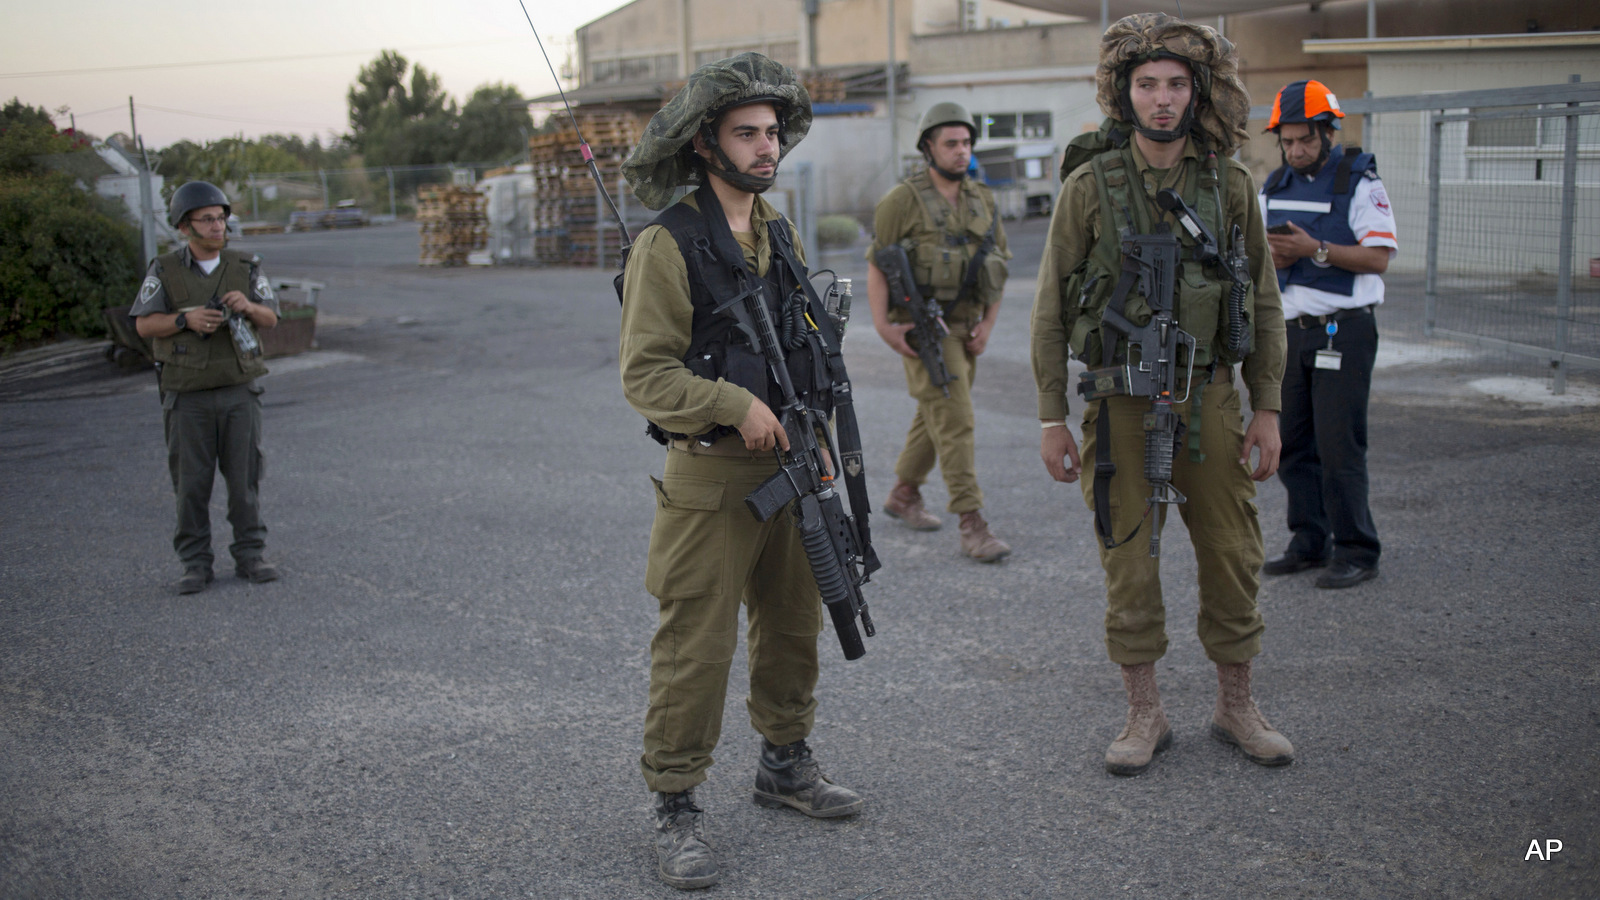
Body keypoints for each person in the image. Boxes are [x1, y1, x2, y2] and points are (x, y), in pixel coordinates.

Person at [617, 53, 865, 891]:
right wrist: (733, 403)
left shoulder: (778, 235)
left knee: (796, 623)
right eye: (747, 135)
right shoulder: (669, 242)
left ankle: (784, 763)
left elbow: (802, 353)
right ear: (704, 144)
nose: (767, 149)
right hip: (713, 478)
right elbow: (645, 375)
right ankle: (675, 805)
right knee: (697, 647)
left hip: (792, 467)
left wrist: (815, 430)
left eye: (771, 134)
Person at [1030, 13, 1293, 776]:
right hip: (1119, 402)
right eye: (1147, 84)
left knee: (1233, 553)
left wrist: (1267, 406)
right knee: (1129, 562)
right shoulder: (1089, 188)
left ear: (1197, 91)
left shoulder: (1230, 185)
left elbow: (1262, 303)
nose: (1163, 99)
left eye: (1177, 83)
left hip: (1208, 399)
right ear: (1125, 93)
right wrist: (1052, 417)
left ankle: (1235, 704)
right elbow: (1049, 309)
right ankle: (1144, 712)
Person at [1259, 79, 1396, 590]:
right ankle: (1309, 540)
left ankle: (1358, 549)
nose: (1296, 151)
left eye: (1306, 141)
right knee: (1293, 442)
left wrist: (1314, 249)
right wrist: (1267, 257)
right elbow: (1256, 255)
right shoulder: (1273, 187)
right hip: (1289, 333)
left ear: (1328, 133)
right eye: (1288, 141)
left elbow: (1379, 258)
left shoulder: (1359, 182)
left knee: (1340, 447)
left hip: (1344, 331)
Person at [865, 102, 1014, 562]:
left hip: (968, 324)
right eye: (950, 143)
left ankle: (904, 493)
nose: (960, 151)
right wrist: (885, 328)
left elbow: (999, 265)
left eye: (966, 143)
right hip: (925, 328)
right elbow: (879, 262)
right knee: (956, 418)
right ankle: (972, 524)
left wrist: (988, 325)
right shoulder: (901, 201)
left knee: (938, 412)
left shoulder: (983, 199)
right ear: (928, 147)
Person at [132, 181, 280, 595]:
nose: (218, 227)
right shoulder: (164, 270)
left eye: (221, 218)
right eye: (207, 219)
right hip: (188, 395)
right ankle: (195, 563)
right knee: (191, 484)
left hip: (238, 391)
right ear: (184, 227)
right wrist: (186, 320)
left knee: (244, 479)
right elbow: (144, 324)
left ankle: (251, 555)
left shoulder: (246, 266)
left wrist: (248, 306)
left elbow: (271, 318)